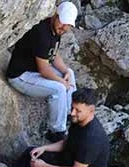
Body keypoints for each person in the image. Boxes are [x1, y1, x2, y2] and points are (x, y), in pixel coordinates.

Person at [6, 1, 78, 142]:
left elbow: (54, 54)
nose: (64, 28)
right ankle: (57, 132)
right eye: (62, 23)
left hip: (34, 72)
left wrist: (65, 72)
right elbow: (44, 69)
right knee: (59, 89)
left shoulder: (56, 29)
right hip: (21, 76)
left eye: (68, 25)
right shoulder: (41, 33)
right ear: (55, 16)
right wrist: (63, 82)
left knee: (70, 72)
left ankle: (70, 112)